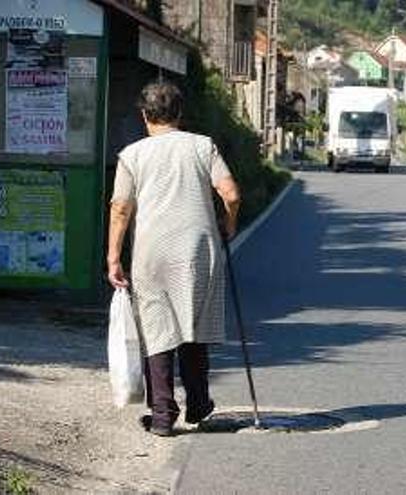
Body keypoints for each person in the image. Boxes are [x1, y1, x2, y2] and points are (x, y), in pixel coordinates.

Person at [106, 82, 242, 437]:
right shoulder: (202, 145)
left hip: (152, 251)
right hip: (199, 249)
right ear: (180, 114)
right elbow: (231, 193)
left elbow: (121, 207)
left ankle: (163, 416)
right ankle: (199, 405)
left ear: (144, 115)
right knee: (193, 327)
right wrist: (228, 224)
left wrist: (113, 257)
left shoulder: (132, 155)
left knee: (156, 330)